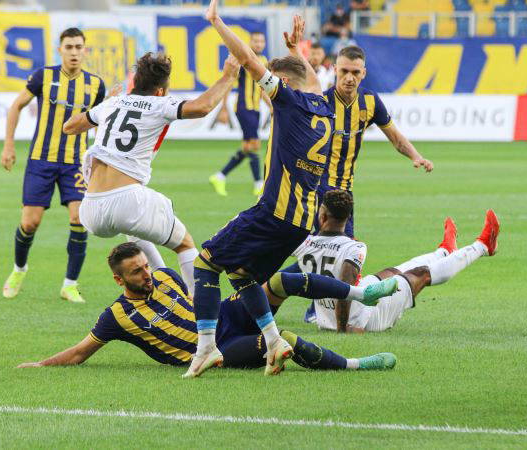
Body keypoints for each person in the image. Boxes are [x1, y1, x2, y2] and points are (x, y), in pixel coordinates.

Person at [184, 8, 340, 378]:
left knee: (205, 263)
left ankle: (206, 347)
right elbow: (310, 78)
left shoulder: (288, 100)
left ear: (282, 82)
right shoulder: (323, 105)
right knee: (242, 273)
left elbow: (248, 59)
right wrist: (297, 50)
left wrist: (217, 23)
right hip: (301, 222)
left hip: (272, 212)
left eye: (267, 85)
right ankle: (273, 341)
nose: (262, 90)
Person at [16, 243, 398, 372]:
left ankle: (360, 294)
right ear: (119, 280)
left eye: (145, 267)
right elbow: (80, 352)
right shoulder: (117, 316)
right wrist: (40, 365)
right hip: (217, 349)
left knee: (281, 281)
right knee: (283, 339)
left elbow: (200, 298)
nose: (147, 275)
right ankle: (356, 364)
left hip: (223, 319)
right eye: (136, 272)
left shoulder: (165, 277)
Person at [61, 52, 241, 294]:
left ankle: (164, 290)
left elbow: (69, 126)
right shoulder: (160, 104)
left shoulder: (112, 103)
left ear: (134, 82)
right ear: (160, 90)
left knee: (135, 232)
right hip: (126, 200)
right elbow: (203, 106)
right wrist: (228, 76)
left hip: (90, 209)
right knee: (185, 244)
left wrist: (104, 106)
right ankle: (199, 310)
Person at [274, 190, 501, 333]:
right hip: (361, 319)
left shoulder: (304, 243)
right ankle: (483, 246)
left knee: (392, 272)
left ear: (322, 216)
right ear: (348, 218)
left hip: (328, 318)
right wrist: (344, 329)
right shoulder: (353, 247)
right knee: (421, 275)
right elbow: (344, 288)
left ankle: (444, 251)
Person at [0, 28, 109, 303]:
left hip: (76, 163)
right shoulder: (43, 77)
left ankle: (70, 285)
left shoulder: (96, 85)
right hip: (41, 160)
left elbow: (101, 122)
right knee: (30, 223)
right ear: (60, 50)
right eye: (69, 47)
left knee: (79, 219)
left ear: (85, 51)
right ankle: (19, 269)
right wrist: (9, 145)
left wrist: (102, 156)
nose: (74, 52)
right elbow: (16, 106)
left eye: (78, 47)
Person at [317, 45, 433, 238]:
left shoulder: (370, 101)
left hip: (345, 191)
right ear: (335, 70)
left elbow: (395, 138)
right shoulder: (321, 102)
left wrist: (416, 156)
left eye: (355, 72)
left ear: (363, 73)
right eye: (344, 71)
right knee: (330, 248)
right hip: (319, 188)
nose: (349, 78)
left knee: (343, 248)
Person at [209, 31, 271, 197]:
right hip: (244, 107)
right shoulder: (244, 59)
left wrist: (271, 107)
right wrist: (223, 108)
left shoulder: (264, 61)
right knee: (255, 144)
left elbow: (263, 88)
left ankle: (219, 176)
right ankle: (258, 184)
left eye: (261, 41)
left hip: (256, 109)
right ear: (250, 42)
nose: (258, 44)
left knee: (247, 147)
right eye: (255, 41)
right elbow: (229, 83)